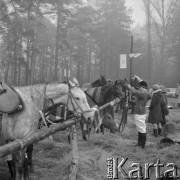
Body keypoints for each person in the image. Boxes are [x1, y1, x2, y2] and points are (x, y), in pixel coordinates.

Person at [126, 80, 150, 149]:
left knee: (142, 129)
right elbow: (136, 101)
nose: (138, 88)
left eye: (139, 87)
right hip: (138, 112)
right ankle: (139, 143)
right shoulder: (143, 92)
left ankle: (142, 145)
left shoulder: (144, 92)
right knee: (139, 128)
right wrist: (129, 101)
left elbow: (135, 92)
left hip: (140, 113)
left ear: (142, 86)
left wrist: (130, 87)